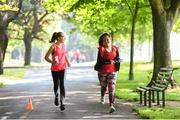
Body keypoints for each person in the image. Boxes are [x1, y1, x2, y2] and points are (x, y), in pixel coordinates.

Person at [95, 33, 120, 113]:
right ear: (102, 42)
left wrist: (116, 62)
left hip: (112, 71)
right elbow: (100, 61)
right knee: (104, 86)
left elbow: (118, 59)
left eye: (107, 39)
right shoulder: (101, 49)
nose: (106, 41)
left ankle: (111, 105)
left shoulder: (115, 48)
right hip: (102, 71)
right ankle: (102, 96)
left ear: (110, 39)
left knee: (111, 88)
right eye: (104, 40)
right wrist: (108, 61)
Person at [44, 32, 70, 111]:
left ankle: (62, 103)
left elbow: (64, 55)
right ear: (58, 38)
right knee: (56, 84)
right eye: (63, 37)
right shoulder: (53, 47)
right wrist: (52, 62)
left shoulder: (63, 45)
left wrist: (68, 62)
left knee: (62, 84)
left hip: (63, 68)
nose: (64, 38)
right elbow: (46, 57)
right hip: (55, 69)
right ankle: (56, 96)